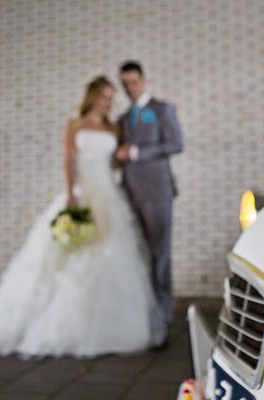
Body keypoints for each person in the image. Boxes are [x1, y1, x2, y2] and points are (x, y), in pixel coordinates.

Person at [0, 76, 167, 357]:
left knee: (116, 255)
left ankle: (117, 327)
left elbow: (115, 163)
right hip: (82, 191)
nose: (108, 103)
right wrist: (71, 194)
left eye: (111, 98)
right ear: (92, 97)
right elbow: (69, 159)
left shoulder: (113, 127)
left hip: (109, 195)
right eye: (105, 97)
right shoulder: (75, 124)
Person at [116, 61, 183, 328]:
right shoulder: (122, 118)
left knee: (160, 253)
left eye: (133, 82)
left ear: (143, 81)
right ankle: (142, 313)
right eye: (125, 84)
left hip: (157, 191)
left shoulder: (161, 109)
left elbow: (176, 144)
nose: (129, 88)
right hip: (130, 193)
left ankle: (163, 316)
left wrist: (136, 153)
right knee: (138, 254)